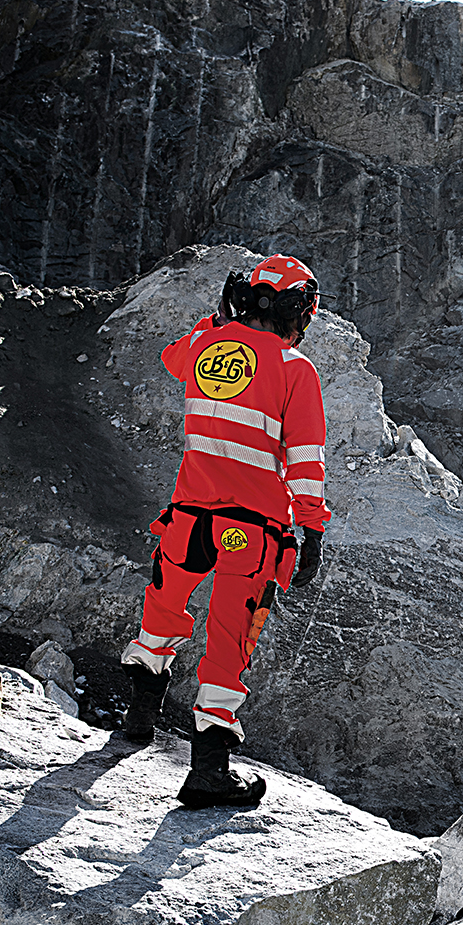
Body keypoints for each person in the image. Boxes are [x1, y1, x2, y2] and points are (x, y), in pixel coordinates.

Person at [117, 254, 330, 808]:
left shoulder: (204, 349)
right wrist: (312, 532)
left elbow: (172, 356)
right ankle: (209, 770)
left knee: (162, 611)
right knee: (229, 638)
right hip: (250, 531)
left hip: (189, 519)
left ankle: (138, 718)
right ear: (297, 310)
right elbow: (305, 461)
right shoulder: (294, 369)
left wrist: (220, 320)